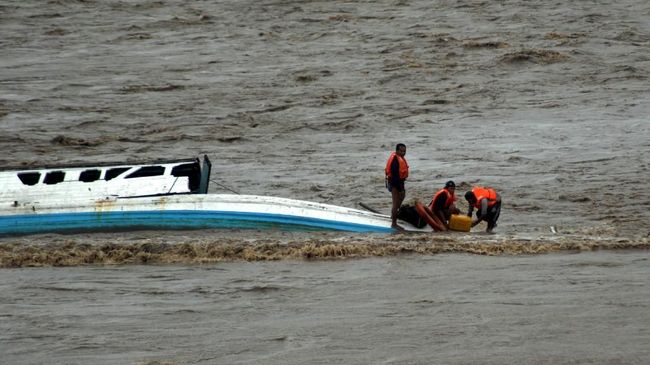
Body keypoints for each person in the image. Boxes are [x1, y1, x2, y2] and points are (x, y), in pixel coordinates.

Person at [385, 143, 409, 229]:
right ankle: (394, 224)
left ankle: (393, 215)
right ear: (397, 151)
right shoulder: (395, 161)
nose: (403, 153)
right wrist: (400, 189)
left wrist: (402, 189)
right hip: (394, 184)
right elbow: (395, 177)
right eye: (401, 151)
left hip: (400, 183)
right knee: (396, 203)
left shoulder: (400, 158)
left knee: (401, 198)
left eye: (404, 151)